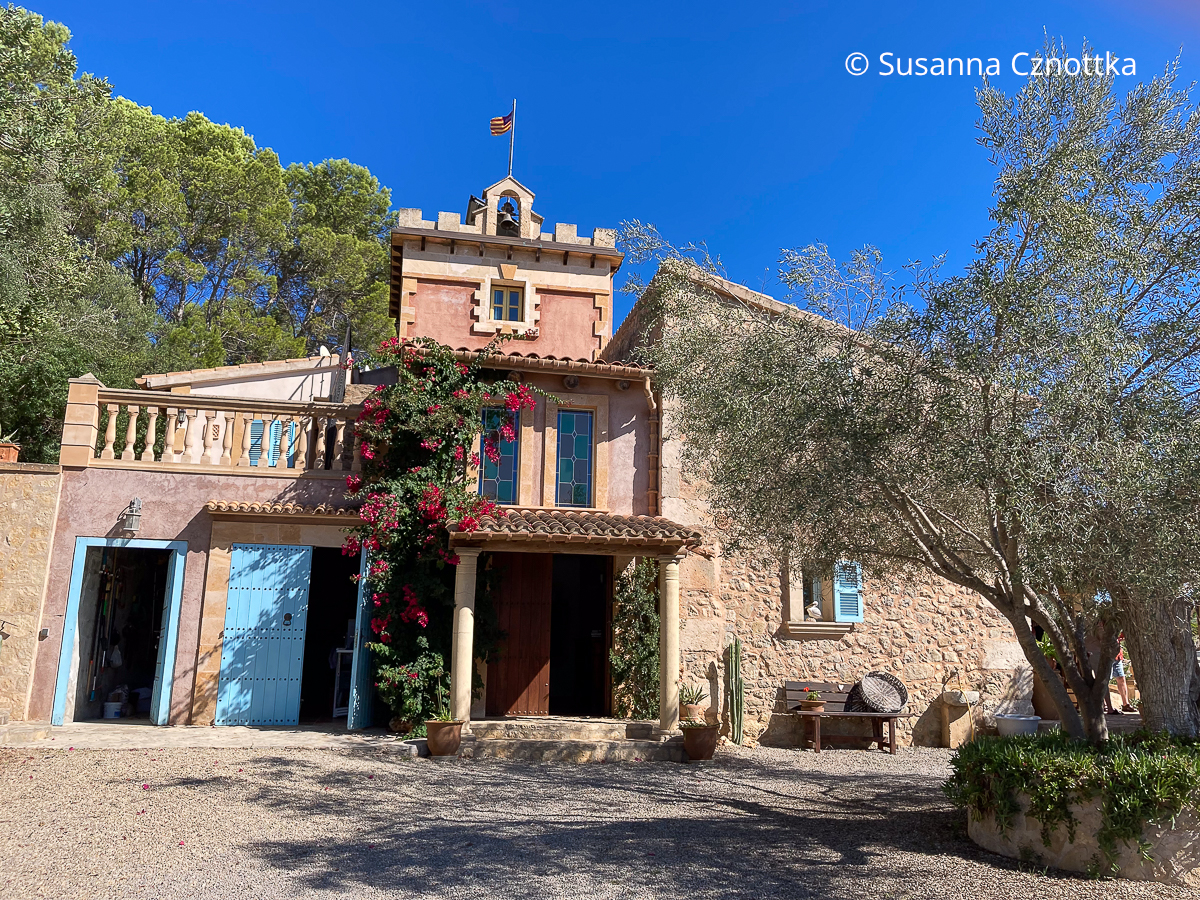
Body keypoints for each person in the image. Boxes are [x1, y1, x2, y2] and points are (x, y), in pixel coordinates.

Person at [1112, 634, 1135, 713]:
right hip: (1106, 656)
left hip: (1118, 656)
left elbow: (1123, 635)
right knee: (1105, 679)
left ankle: (1126, 704)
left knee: (1121, 678)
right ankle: (1105, 705)